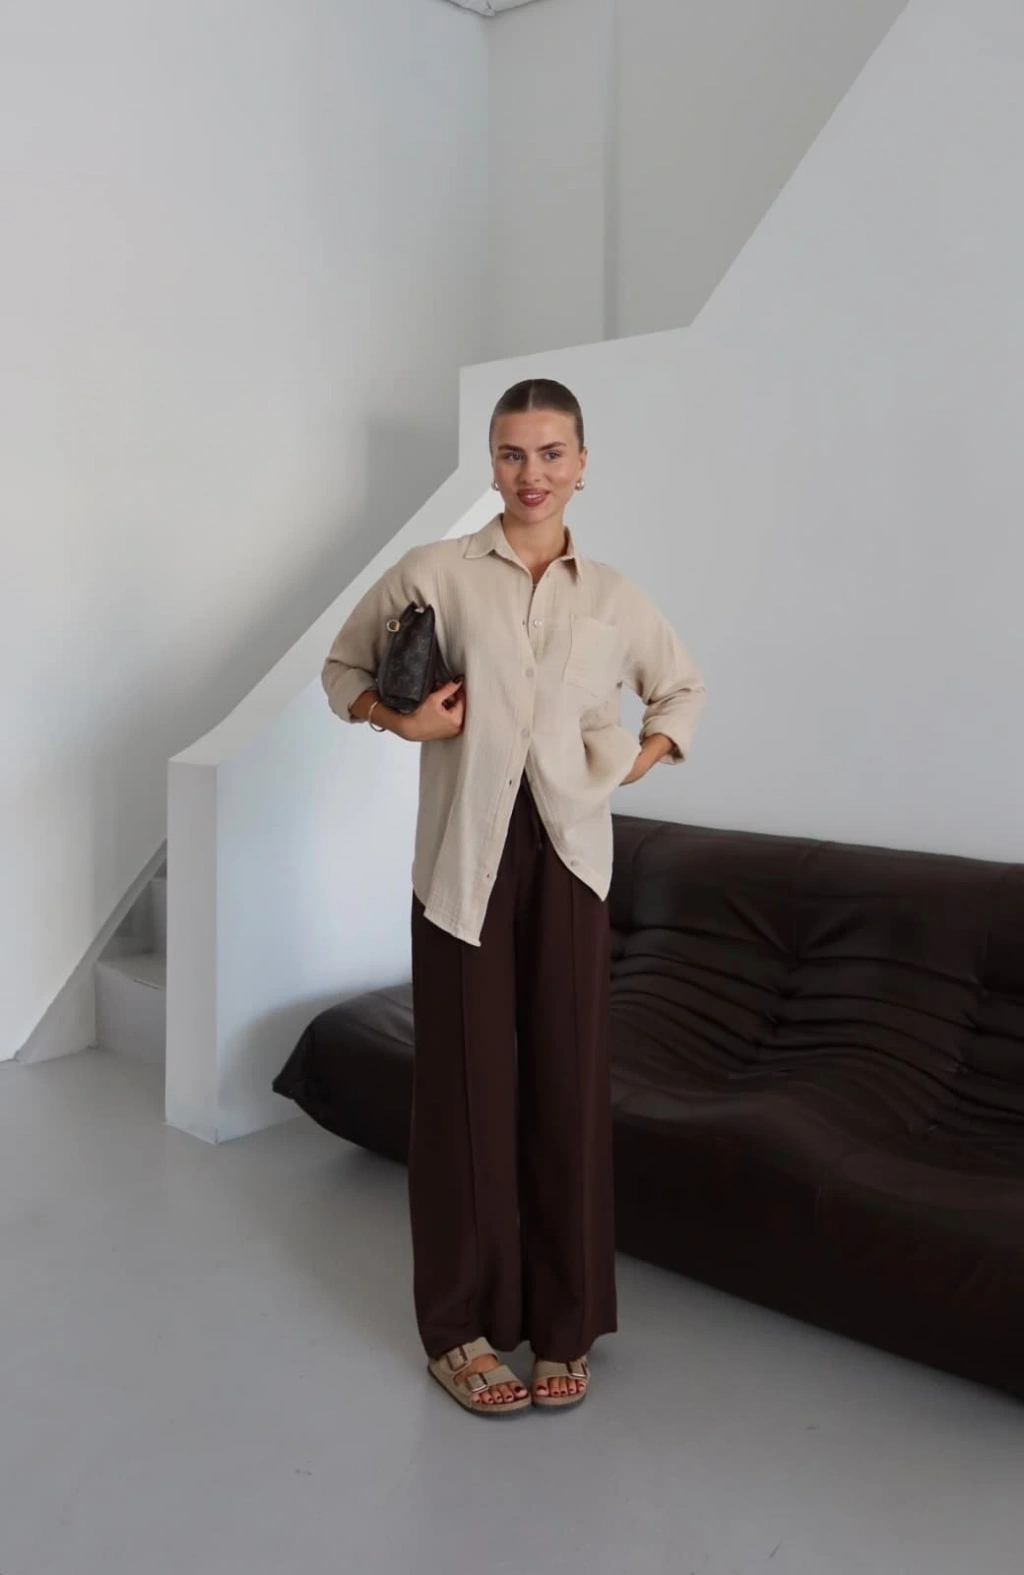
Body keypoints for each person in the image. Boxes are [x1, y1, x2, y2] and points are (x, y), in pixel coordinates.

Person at [322, 378, 706, 1416]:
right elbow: (343, 668)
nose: (531, 474)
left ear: (582, 464)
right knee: (463, 1095)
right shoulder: (436, 573)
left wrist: (630, 761)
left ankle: (565, 1323)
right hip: (462, 869)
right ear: (490, 464)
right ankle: (458, 1328)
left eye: (550, 453)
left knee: (567, 1092)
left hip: (571, 864)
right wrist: (400, 721)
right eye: (510, 453)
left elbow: (681, 690)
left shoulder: (613, 597)